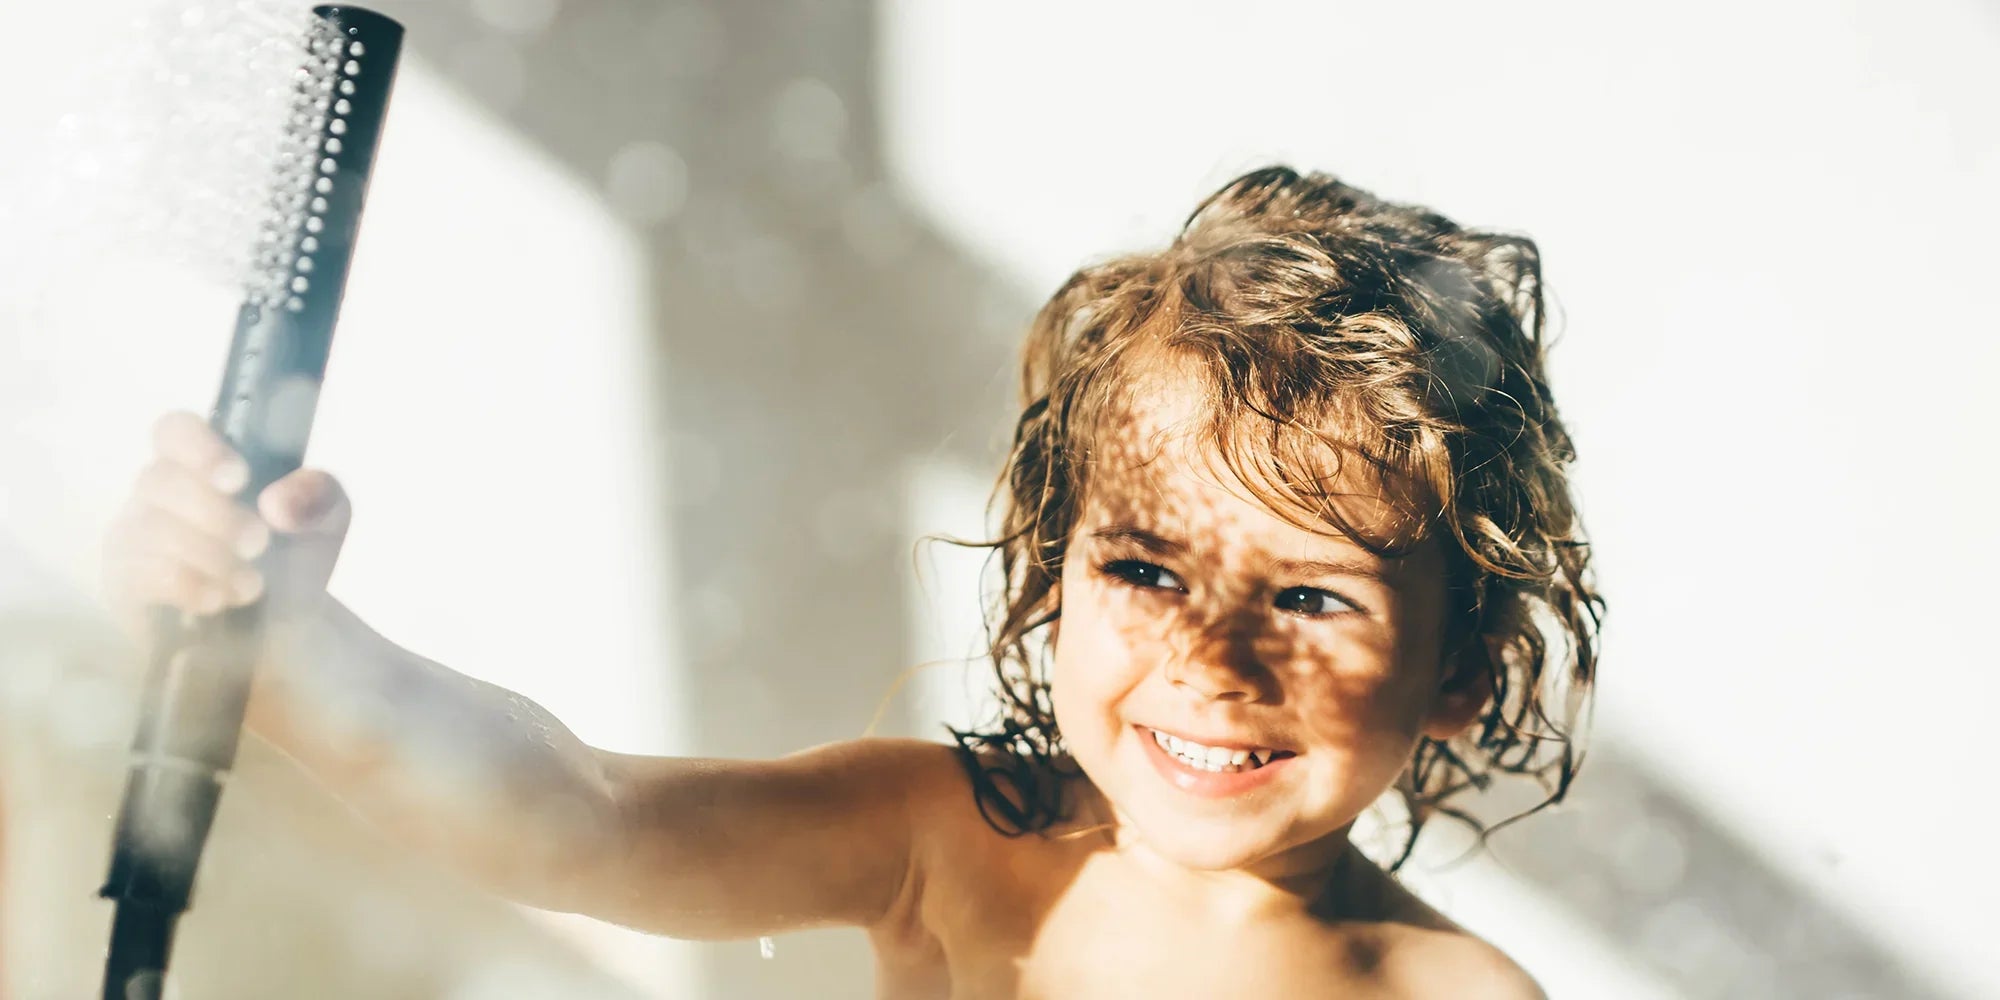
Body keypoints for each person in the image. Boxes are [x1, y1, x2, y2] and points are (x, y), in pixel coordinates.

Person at [101, 166, 1601, 997]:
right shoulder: (946, 840)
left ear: (1467, 665)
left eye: (1313, 596)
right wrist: (294, 654)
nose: (1211, 655)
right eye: (1145, 565)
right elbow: (580, 821)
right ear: (1054, 570)